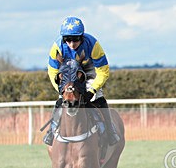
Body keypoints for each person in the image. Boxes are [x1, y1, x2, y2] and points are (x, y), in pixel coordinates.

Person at [42, 16, 120, 147]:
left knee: (98, 97)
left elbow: (103, 71)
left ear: (82, 37)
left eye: (76, 39)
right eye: (68, 40)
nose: (72, 44)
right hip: (67, 74)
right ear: (63, 39)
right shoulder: (57, 47)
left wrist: (92, 90)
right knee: (62, 99)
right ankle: (51, 131)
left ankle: (110, 131)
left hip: (89, 71)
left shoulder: (93, 44)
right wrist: (61, 89)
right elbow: (52, 71)